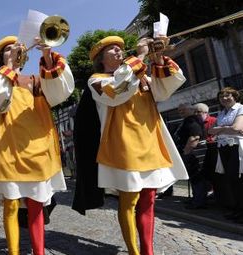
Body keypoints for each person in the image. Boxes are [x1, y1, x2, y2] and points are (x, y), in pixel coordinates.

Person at [74, 35, 188, 255]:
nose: (119, 51)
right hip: (123, 144)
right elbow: (116, 92)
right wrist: (141, 56)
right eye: (112, 49)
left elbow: (166, 88)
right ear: (101, 58)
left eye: (120, 49)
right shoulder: (96, 79)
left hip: (151, 141)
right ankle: (134, 251)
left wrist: (159, 57)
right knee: (129, 200)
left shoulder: (140, 75)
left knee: (149, 200)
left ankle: (148, 251)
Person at [0, 35, 74, 255]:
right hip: (9, 149)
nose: (13, 51)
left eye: (17, 49)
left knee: (36, 207)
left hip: (37, 149)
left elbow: (60, 92)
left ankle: (39, 251)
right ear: (0, 58)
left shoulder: (36, 79)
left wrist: (47, 54)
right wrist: (8, 68)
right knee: (11, 205)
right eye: (8, 50)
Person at [208, 87, 243, 223]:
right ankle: (236, 209)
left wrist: (220, 129)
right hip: (223, 147)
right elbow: (211, 130)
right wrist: (225, 129)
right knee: (230, 179)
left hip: (236, 147)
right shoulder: (222, 113)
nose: (224, 98)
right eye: (221, 96)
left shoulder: (240, 109)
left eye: (227, 95)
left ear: (235, 97)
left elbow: (237, 128)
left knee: (238, 179)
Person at [174, 103, 206, 209]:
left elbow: (194, 137)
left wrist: (187, 152)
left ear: (192, 109)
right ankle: (196, 199)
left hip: (193, 154)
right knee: (193, 177)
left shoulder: (192, 120)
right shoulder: (190, 119)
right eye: (179, 111)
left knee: (196, 177)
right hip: (191, 153)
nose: (181, 112)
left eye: (183, 110)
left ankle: (198, 202)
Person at [193, 103, 218, 201]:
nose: (196, 114)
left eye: (198, 112)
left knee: (214, 173)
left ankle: (214, 193)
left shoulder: (213, 120)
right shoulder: (196, 122)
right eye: (194, 112)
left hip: (212, 151)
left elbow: (217, 135)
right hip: (200, 152)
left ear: (206, 112)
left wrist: (207, 140)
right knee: (203, 173)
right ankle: (205, 194)